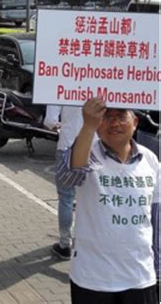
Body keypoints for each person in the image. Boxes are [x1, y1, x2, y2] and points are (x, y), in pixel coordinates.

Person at [56, 98, 159, 304]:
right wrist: (88, 126)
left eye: (121, 116)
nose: (114, 123)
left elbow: (156, 217)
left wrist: (158, 267)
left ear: (135, 122)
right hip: (93, 279)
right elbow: (68, 176)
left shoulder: (149, 159)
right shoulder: (88, 154)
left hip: (140, 276)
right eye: (107, 117)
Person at [43, 105, 91, 260]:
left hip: (67, 146)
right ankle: (87, 243)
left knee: (66, 198)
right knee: (90, 199)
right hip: (95, 149)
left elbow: (50, 121)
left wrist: (61, 126)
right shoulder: (101, 84)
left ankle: (65, 245)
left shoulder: (61, 86)